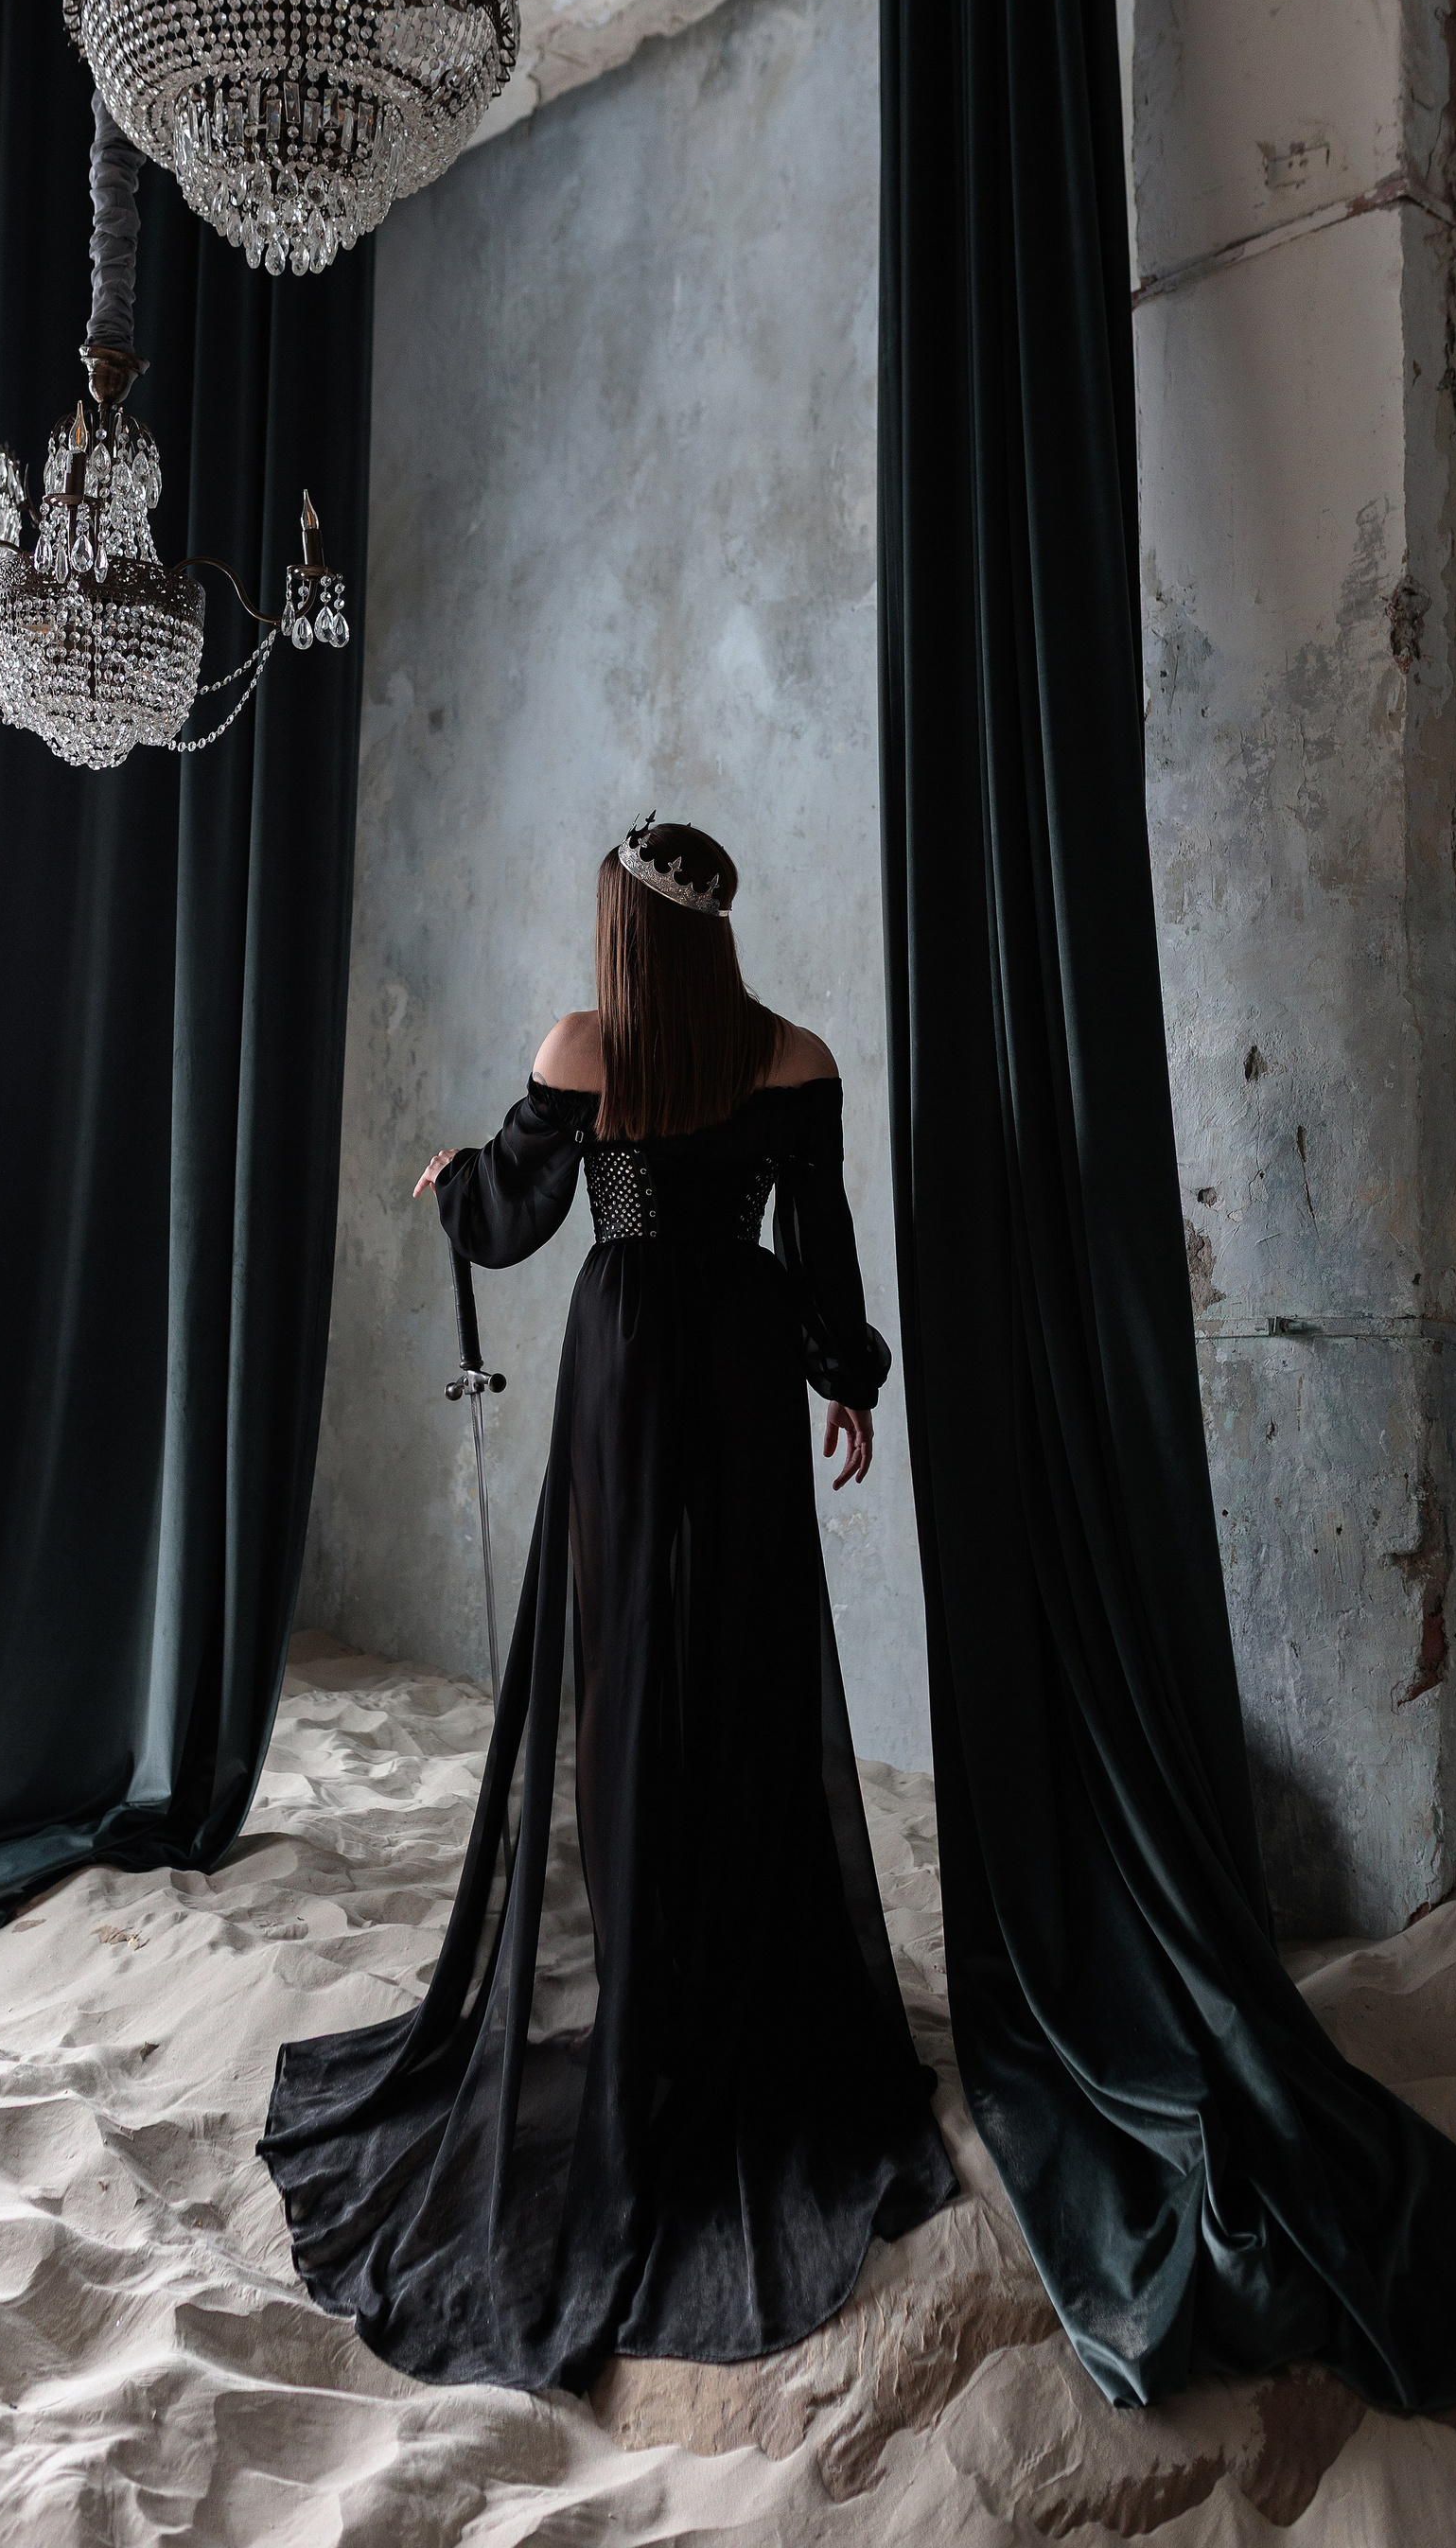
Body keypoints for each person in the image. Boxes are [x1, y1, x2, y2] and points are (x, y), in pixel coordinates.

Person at [259, 816, 956, 2388]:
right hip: (741, 1362)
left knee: (630, 1667)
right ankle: (743, 1962)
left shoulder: (583, 1046)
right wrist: (845, 1380)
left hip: (630, 1359)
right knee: (746, 1659)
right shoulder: (795, 1056)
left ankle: (651, 1966)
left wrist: (455, 1182)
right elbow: (820, 1246)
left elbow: (512, 1214)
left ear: (625, 929)